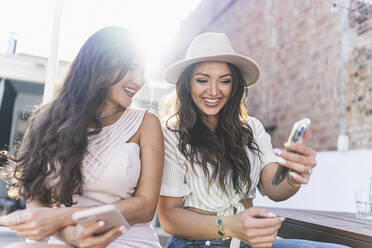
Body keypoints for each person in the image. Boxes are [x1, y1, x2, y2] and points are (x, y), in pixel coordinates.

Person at [157, 32, 349, 248]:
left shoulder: (252, 128)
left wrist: (295, 175)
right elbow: (169, 218)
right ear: (187, 84)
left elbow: (275, 188)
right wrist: (229, 226)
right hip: (197, 244)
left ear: (235, 86)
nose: (213, 91)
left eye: (224, 81)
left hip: (249, 243)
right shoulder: (171, 133)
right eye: (202, 80)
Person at [0, 26, 164, 248]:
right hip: (64, 239)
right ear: (99, 65)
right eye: (131, 68)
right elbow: (36, 197)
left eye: (143, 72)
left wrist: (63, 217)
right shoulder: (46, 119)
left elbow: (146, 207)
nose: (139, 80)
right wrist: (69, 234)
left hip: (125, 240)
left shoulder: (147, 123)